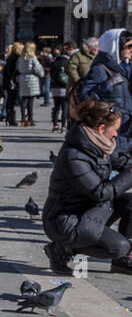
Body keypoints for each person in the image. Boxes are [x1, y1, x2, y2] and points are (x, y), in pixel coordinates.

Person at [42, 98, 132, 274]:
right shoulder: (74, 155)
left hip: (89, 211)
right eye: (115, 130)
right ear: (101, 128)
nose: (116, 135)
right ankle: (62, 249)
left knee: (131, 202)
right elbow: (100, 193)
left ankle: (123, 260)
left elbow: (123, 162)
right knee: (119, 246)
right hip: (65, 220)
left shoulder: (99, 145)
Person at [76, 28, 132, 156]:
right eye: (128, 46)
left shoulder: (127, 68)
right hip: (110, 128)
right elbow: (85, 97)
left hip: (127, 128)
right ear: (115, 47)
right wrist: (108, 84)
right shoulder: (100, 69)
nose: (131, 50)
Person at [16, 42, 44, 126]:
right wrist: (41, 74)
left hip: (23, 79)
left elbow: (18, 68)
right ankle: (30, 118)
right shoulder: (32, 58)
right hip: (32, 79)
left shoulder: (21, 58)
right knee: (31, 101)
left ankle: (22, 119)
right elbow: (38, 69)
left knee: (24, 100)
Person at [50, 43, 72, 132]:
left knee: (56, 107)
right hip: (64, 87)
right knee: (65, 107)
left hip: (55, 87)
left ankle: (55, 125)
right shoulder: (68, 62)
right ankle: (63, 126)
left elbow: (52, 74)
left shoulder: (55, 62)